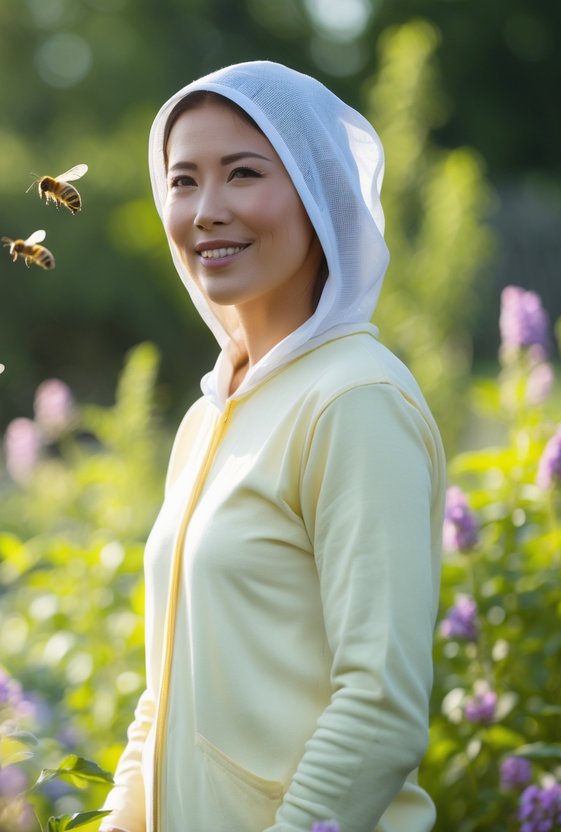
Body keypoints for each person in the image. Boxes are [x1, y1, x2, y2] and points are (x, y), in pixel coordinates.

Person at [97, 61, 445, 831]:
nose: (206, 210)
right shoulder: (209, 415)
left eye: (243, 173)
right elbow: (167, 694)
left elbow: (380, 706)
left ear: (319, 192)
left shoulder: (355, 400)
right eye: (182, 181)